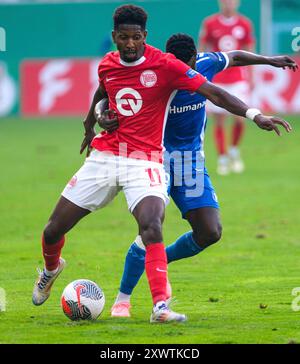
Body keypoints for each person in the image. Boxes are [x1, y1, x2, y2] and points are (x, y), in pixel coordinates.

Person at [32, 4, 292, 324]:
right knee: (60, 228)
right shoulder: (117, 66)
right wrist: (95, 121)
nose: (129, 43)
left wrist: (257, 108)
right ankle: (113, 294)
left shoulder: (179, 67)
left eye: (136, 37)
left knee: (199, 230)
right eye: (123, 38)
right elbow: (104, 93)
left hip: (175, 161)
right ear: (115, 37)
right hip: (130, 154)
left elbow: (223, 79)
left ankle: (157, 290)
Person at [105, 33, 297, 318]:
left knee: (210, 231)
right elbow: (115, 98)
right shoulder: (156, 75)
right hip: (154, 160)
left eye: (188, 67)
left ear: (196, 58)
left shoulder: (205, 63)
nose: (183, 75)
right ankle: (123, 299)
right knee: (150, 228)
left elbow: (236, 57)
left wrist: (268, 60)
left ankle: (158, 260)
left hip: (190, 164)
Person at [199, 0, 256, 175]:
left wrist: (251, 75)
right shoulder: (210, 23)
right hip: (218, 77)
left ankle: (233, 150)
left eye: (232, 1)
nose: (228, 4)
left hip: (237, 78)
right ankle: (222, 158)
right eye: (225, 1)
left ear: (237, 3)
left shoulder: (245, 23)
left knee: (241, 118)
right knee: (219, 119)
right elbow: (203, 48)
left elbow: (250, 51)